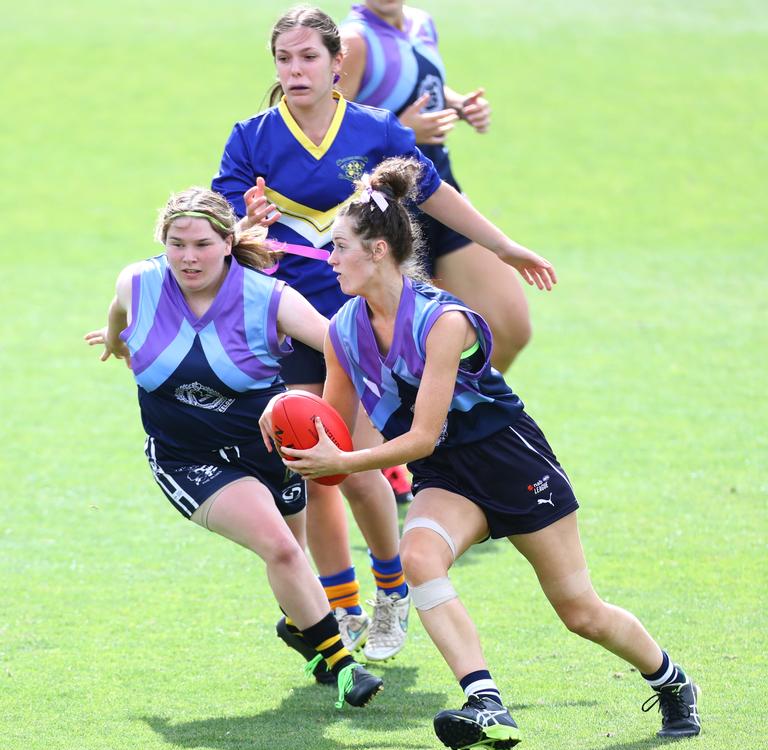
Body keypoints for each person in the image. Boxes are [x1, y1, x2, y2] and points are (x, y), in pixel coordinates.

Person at [260, 158, 701, 750]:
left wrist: (343, 462)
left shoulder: (443, 321)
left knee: (580, 612)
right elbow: (334, 439)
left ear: (380, 252)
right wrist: (286, 417)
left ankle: (671, 681)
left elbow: (420, 437)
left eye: (338, 248)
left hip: (510, 462)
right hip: (447, 477)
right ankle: (485, 702)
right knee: (419, 559)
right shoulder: (341, 331)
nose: (329, 260)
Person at [212, 5, 551, 666]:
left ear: (338, 63)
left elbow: (435, 191)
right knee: (312, 463)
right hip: (288, 318)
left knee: (356, 460)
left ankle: (391, 591)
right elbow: (228, 224)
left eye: (309, 57)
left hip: (358, 324)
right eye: (285, 59)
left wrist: (504, 245)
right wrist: (245, 221)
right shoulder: (251, 137)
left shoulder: (373, 129)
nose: (296, 70)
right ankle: (343, 607)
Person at [83, 186, 383, 710]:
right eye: (176, 244)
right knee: (284, 550)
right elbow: (118, 313)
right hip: (187, 457)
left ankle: (301, 629)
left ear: (228, 241)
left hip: (271, 453)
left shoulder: (270, 298)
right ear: (163, 242)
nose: (188, 257)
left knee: (292, 562)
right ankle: (343, 666)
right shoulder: (139, 281)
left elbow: (344, 347)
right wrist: (114, 341)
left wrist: (315, 413)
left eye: (201, 244)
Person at [338, 1, 531, 374]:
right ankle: (421, 424)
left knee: (508, 328)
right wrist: (402, 132)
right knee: (403, 355)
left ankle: (448, 419)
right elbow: (332, 132)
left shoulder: (421, 23)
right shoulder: (354, 41)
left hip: (440, 189)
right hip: (389, 214)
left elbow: (411, 76)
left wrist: (456, 103)